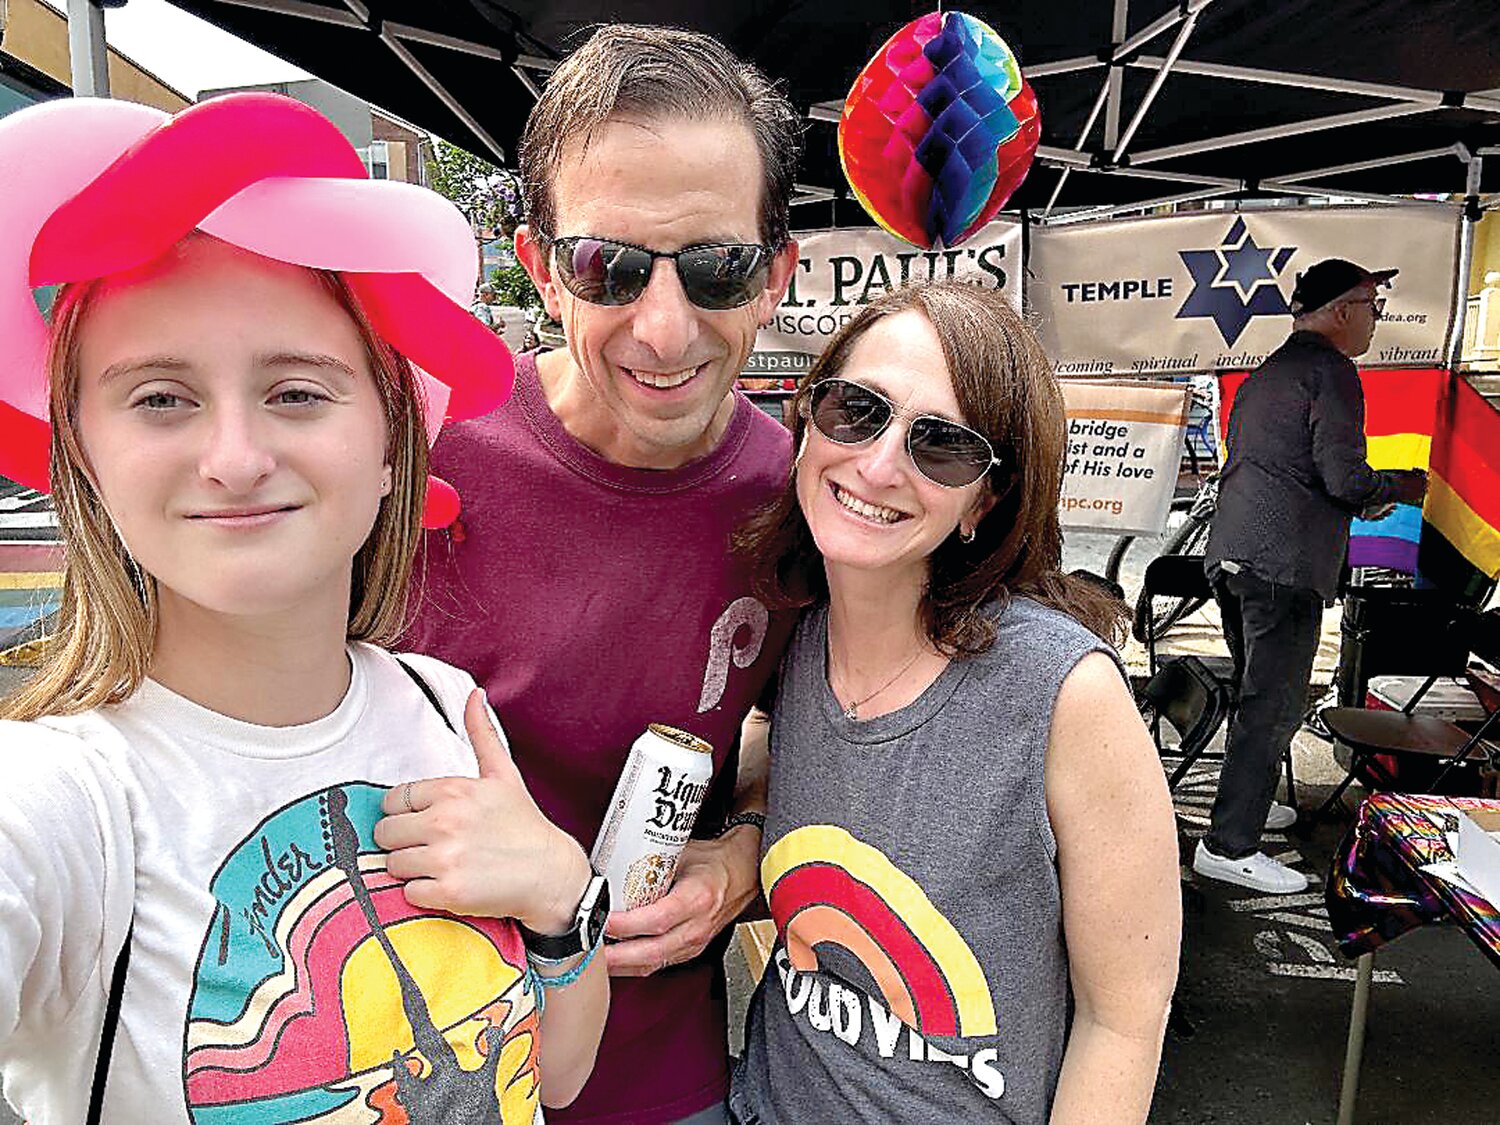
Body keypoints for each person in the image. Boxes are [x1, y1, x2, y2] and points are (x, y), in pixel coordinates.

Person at [0, 94, 607, 1122]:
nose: (235, 458)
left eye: (296, 392)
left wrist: (560, 894)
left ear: (388, 448)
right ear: (85, 460)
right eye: (160, 397)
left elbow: (552, 1074)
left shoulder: (443, 705)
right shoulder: (62, 806)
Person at [398, 25, 802, 1125]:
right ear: (539, 270)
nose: (664, 331)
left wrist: (742, 858)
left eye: (715, 269)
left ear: (775, 276)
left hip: (657, 1078)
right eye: (607, 267)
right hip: (404, 1070)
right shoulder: (417, 449)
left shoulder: (809, 502)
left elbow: (822, 747)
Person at [729, 282, 1182, 1124]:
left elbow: (1124, 1019)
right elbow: (774, 751)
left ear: (986, 500)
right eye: (856, 409)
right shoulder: (793, 636)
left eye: (941, 446)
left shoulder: (1063, 692)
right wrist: (741, 830)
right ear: (807, 418)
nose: (876, 463)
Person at [1196, 258, 1428, 894]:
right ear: (1342, 311)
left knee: (1255, 696)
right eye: (1373, 309)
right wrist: (1403, 487)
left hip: (1236, 552)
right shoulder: (1332, 372)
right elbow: (1344, 477)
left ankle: (1243, 804)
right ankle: (1229, 843)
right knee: (1272, 705)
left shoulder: (1267, 371)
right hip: (1283, 563)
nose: (1376, 322)